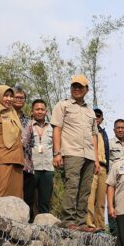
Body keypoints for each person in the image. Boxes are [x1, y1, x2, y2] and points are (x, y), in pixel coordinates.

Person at [51, 74, 100, 231]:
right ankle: (68, 220)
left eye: (80, 86)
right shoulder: (63, 105)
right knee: (72, 186)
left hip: (89, 155)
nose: (76, 89)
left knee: (85, 189)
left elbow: (94, 136)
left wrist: (97, 159)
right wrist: (57, 153)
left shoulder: (90, 111)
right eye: (74, 86)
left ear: (86, 89)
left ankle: (81, 221)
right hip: (71, 152)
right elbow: (57, 128)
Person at [27, 99, 54, 215]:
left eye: (42, 109)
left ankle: (45, 225)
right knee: (28, 198)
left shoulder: (52, 128)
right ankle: (28, 223)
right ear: (32, 111)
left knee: (45, 201)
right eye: (37, 109)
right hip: (32, 168)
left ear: (46, 111)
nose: (40, 112)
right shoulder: (27, 125)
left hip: (48, 168)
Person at [12, 87, 36, 216]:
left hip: (26, 165)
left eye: (22, 98)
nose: (19, 100)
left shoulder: (29, 121)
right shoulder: (3, 117)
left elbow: (31, 143)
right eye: (16, 97)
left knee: (27, 198)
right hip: (9, 162)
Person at [86, 107, 109, 231]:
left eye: (99, 116)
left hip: (104, 167)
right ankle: (89, 223)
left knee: (101, 200)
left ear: (102, 119)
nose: (96, 118)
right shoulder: (87, 130)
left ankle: (100, 225)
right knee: (90, 197)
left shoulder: (103, 133)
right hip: (91, 165)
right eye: (94, 115)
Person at [107, 118, 124, 235]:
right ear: (114, 130)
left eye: (122, 128)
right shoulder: (109, 143)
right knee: (112, 203)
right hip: (114, 179)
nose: (120, 130)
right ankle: (113, 229)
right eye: (118, 128)